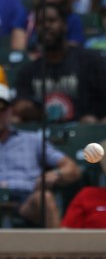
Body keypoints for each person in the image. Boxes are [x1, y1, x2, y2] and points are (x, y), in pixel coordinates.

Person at [13, 2, 106, 123]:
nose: (46, 26)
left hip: (89, 136)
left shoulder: (91, 60)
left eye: (52, 21)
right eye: (40, 23)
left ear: (64, 25)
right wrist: (32, 111)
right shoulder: (28, 71)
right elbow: (19, 106)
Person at [0, 83, 81, 227]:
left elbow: (71, 167)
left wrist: (55, 174)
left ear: (11, 111)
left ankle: (58, 247)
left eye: (2, 108)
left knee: (45, 197)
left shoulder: (32, 139)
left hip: (25, 199)